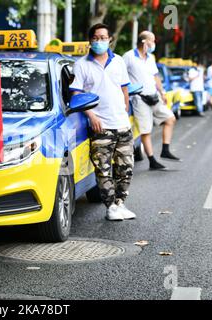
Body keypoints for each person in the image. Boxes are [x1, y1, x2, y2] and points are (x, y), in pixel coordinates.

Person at [70, 23, 135, 221]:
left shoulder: (119, 62)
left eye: (103, 38)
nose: (99, 41)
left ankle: (120, 203)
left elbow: (124, 89)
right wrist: (92, 116)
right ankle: (110, 208)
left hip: (122, 124)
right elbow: (76, 94)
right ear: (90, 40)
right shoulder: (81, 64)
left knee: (126, 168)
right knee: (103, 168)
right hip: (101, 126)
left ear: (110, 40)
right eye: (96, 38)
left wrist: (125, 109)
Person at [123, 31, 181, 171]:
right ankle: (152, 161)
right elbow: (121, 77)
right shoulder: (129, 56)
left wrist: (162, 92)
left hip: (154, 96)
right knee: (146, 130)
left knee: (170, 118)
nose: (154, 43)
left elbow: (155, 77)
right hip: (139, 99)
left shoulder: (151, 57)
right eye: (152, 40)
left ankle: (165, 150)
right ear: (144, 41)